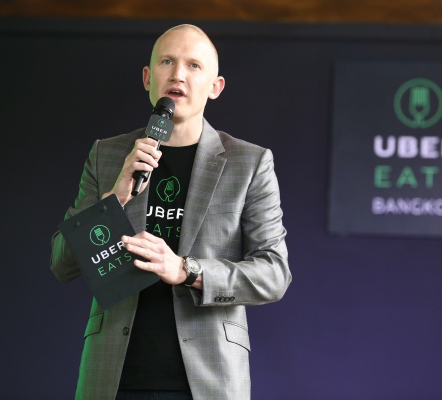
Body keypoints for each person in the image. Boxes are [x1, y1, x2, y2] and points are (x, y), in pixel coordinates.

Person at [50, 24, 291, 400]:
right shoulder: (107, 155)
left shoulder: (249, 162)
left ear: (215, 86)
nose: (178, 74)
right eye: (167, 62)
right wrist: (115, 198)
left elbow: (273, 274)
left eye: (194, 65)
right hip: (113, 378)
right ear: (148, 78)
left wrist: (186, 270)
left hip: (209, 380)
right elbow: (62, 264)